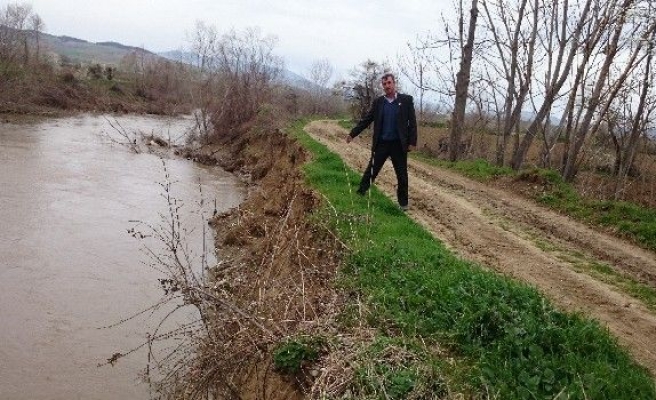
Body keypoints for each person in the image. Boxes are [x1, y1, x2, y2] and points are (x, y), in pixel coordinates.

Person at [346, 73, 418, 211]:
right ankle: (360, 193)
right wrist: (353, 134)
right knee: (371, 170)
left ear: (394, 83)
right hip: (382, 143)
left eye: (389, 83)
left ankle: (403, 204)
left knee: (402, 175)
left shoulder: (406, 100)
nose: (387, 86)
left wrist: (412, 142)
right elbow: (367, 120)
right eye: (384, 84)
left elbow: (412, 123)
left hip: (398, 144)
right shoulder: (379, 103)